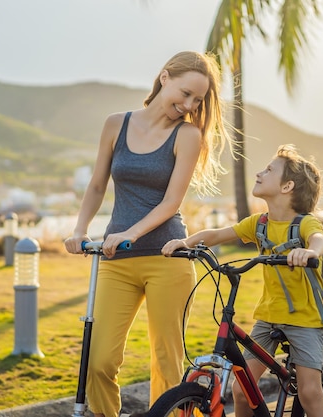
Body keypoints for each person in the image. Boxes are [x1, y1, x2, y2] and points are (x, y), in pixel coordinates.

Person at [64, 50, 232, 417]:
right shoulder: (115, 124)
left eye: (197, 100)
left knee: (165, 364)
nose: (188, 105)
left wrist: (131, 233)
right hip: (116, 260)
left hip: (168, 259)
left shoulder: (187, 135)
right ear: (164, 77)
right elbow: (96, 186)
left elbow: (171, 203)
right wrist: (79, 230)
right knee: (99, 362)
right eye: (185, 93)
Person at [162, 144, 323, 417]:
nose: (259, 173)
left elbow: (319, 238)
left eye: (269, 170)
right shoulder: (259, 223)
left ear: (287, 187)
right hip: (268, 316)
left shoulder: (303, 224)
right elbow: (216, 234)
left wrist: (309, 252)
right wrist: (186, 242)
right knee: (242, 390)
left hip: (306, 320)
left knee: (310, 393)